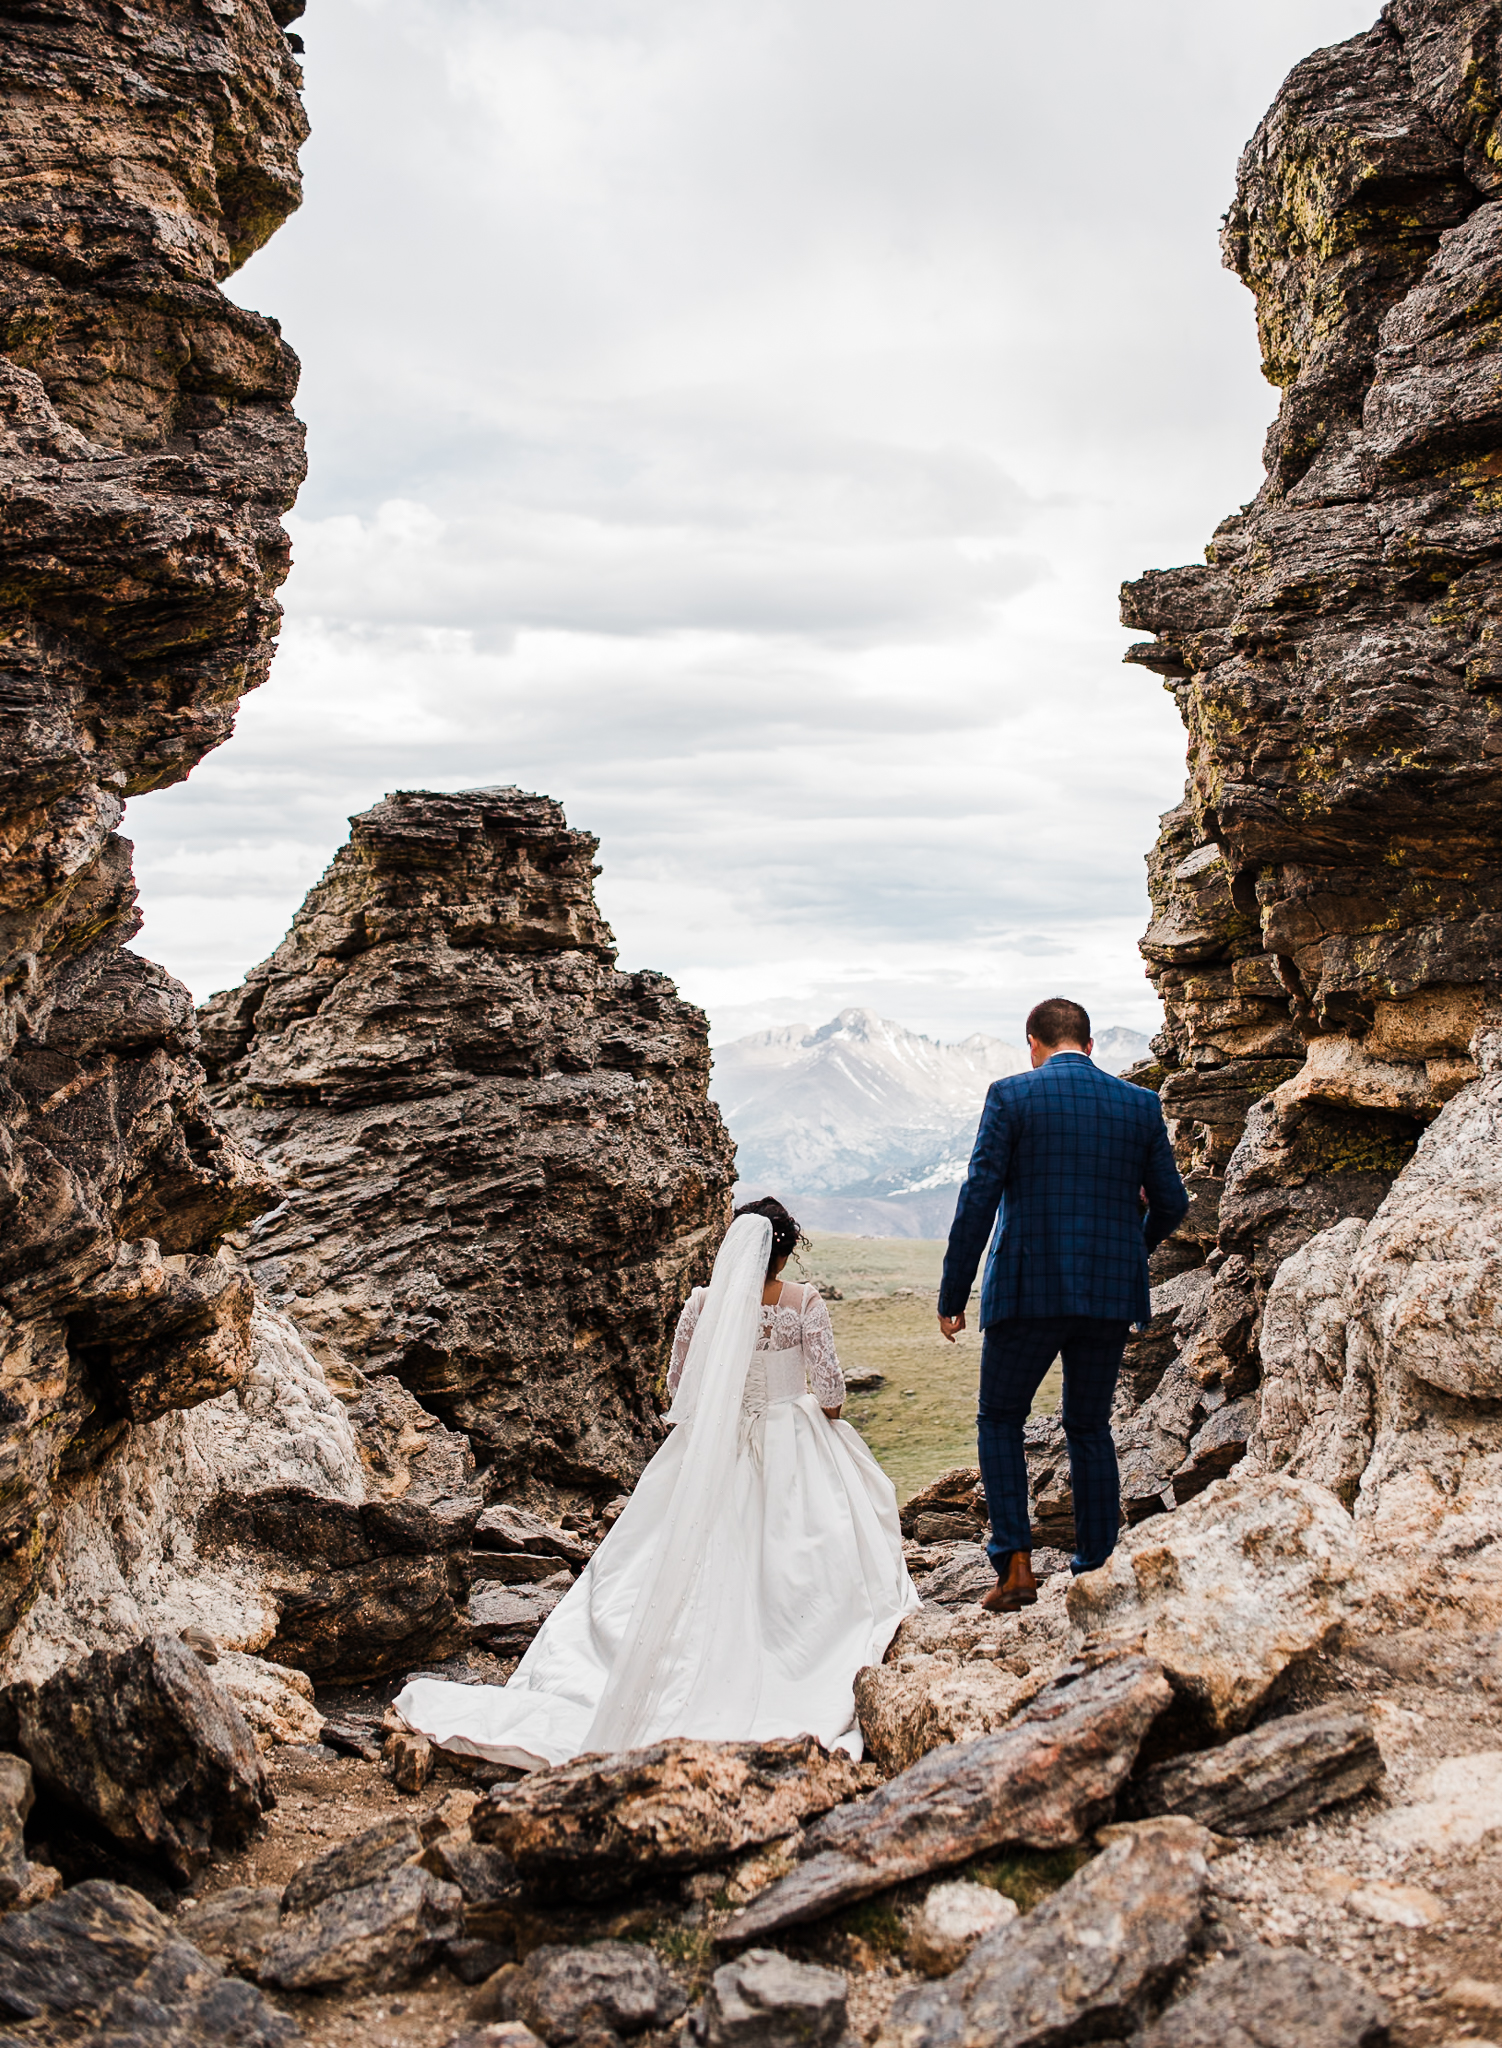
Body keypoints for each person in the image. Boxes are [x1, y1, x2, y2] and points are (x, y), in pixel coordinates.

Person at [393, 1197, 919, 1769]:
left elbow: (678, 1387)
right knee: (812, 1555)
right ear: (785, 1251)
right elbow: (834, 1394)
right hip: (791, 1440)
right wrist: (804, 1413)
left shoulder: (701, 1305)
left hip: (708, 1451)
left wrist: (725, 1416)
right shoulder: (803, 1302)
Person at [937, 996, 1188, 1611]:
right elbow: (1173, 1204)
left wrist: (953, 1294)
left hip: (1027, 1289)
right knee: (1089, 1425)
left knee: (1001, 1418)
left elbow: (978, 1200)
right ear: (1090, 1044)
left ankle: (1015, 1568)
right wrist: (1129, 1249)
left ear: (1034, 1042)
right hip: (1107, 1293)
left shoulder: (1011, 1097)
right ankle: (1097, 1566)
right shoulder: (1140, 1105)